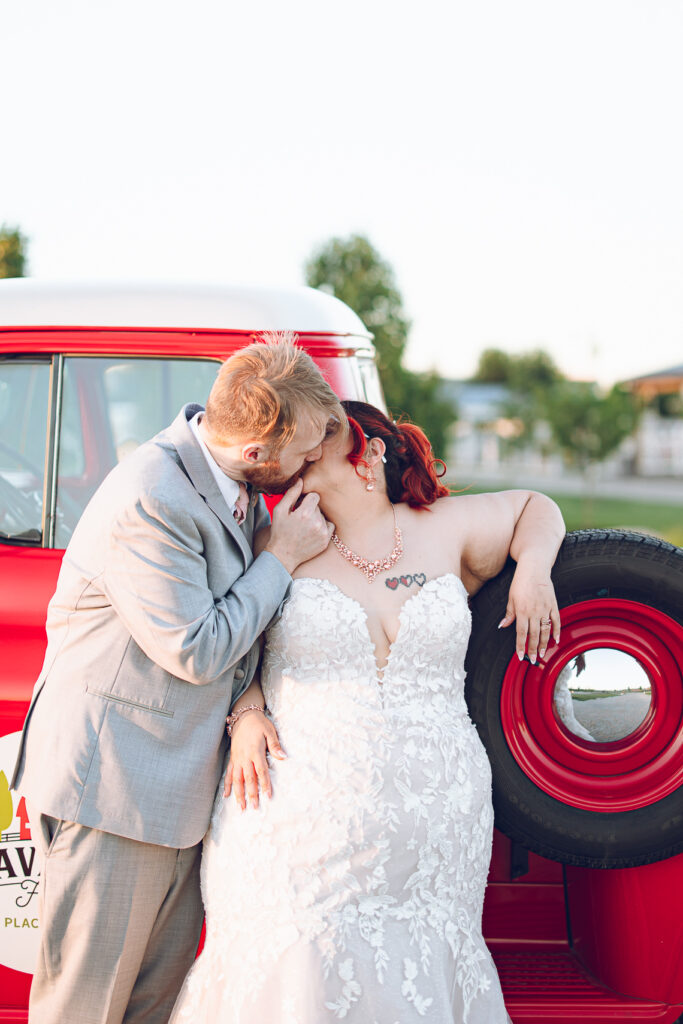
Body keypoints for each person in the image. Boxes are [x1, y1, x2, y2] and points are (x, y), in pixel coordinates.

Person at [170, 399, 565, 1024]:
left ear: (369, 449)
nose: (292, 451)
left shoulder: (446, 525)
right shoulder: (277, 543)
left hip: (437, 827)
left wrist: (534, 571)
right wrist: (245, 711)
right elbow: (226, 641)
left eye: (314, 438)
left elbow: (534, 509)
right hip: (297, 813)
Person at [11, 336, 345, 1024]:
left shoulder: (236, 485)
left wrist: (250, 705)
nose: (313, 464)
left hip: (173, 792)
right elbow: (195, 648)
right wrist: (280, 558)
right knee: (85, 1007)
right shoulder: (150, 498)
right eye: (305, 453)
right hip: (113, 789)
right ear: (257, 451)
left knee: (148, 1008)